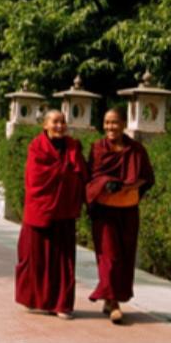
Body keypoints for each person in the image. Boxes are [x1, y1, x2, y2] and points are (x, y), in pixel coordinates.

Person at [15, 109, 87, 320]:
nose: (60, 126)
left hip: (64, 212)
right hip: (40, 210)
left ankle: (61, 304)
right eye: (55, 122)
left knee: (63, 261)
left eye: (63, 122)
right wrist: (63, 174)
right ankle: (36, 299)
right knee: (35, 258)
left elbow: (82, 173)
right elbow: (35, 179)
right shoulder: (36, 147)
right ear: (45, 125)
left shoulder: (73, 147)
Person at [86, 107, 154, 324]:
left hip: (127, 209)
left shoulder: (136, 149)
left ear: (124, 123)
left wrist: (129, 186)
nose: (110, 127)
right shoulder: (97, 148)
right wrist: (106, 183)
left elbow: (147, 177)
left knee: (124, 258)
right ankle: (113, 302)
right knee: (109, 256)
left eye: (114, 122)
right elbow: (91, 178)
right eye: (106, 123)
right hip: (105, 210)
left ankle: (111, 298)